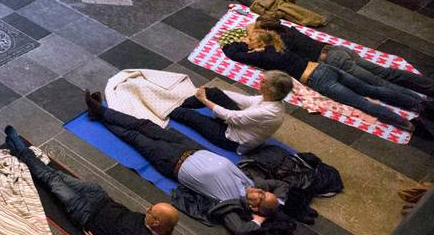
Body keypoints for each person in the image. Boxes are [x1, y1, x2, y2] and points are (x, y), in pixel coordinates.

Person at [84, 92, 286, 235]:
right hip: (190, 147)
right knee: (144, 125)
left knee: (134, 137)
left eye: (260, 196)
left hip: (172, 161)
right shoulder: (253, 184)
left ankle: (99, 113)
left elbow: (240, 230)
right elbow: (282, 186)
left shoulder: (230, 205)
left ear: (254, 207)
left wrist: (258, 220)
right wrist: (278, 201)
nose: (259, 190)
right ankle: (100, 111)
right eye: (263, 192)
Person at [2, 126, 179, 235]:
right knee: (56, 174)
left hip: (85, 213)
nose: (147, 209)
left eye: (150, 212)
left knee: (50, 178)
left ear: (156, 222)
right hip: (100, 197)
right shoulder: (164, 231)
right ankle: (25, 155)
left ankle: (20, 150)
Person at [222, 29, 431, 133]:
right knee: (373, 88)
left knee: (362, 102)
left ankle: (406, 124)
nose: (247, 43)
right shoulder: (278, 45)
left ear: (258, 42)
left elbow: (233, 53)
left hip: (317, 79)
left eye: (250, 40)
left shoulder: (264, 56)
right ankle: (419, 104)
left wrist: (237, 43)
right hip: (325, 67)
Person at [251, 14, 434, 97]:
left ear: (267, 31)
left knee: (378, 83)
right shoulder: (289, 30)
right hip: (338, 50)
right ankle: (428, 86)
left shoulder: (283, 43)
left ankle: (418, 101)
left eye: (260, 31)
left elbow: (279, 57)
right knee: (384, 72)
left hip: (333, 60)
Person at [167, 72, 293, 154]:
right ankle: (178, 102)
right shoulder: (271, 98)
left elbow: (230, 116)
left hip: (232, 140)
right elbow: (246, 100)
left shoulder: (268, 112)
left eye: (263, 81)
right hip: (238, 125)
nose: (260, 81)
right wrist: (211, 93)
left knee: (189, 116)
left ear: (270, 89)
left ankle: (166, 107)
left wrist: (204, 100)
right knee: (213, 92)